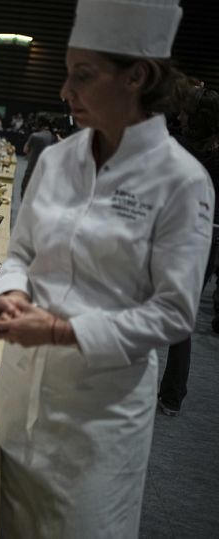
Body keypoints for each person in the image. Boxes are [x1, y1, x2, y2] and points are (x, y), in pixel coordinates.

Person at [0, 1, 215, 536]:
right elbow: (20, 254)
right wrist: (11, 292)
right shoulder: (59, 159)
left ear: (137, 76)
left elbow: (174, 313)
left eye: (83, 75)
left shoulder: (181, 181)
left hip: (96, 418)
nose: (66, 91)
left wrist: (65, 331)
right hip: (20, 395)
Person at [158, 85, 219, 415]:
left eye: (184, 111)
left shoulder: (177, 147)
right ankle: (172, 395)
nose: (178, 114)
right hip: (207, 242)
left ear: (190, 116)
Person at [20, 114, 57, 198]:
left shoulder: (35, 136)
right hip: (47, 172)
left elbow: (25, 150)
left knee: (25, 194)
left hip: (32, 169)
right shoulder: (54, 137)